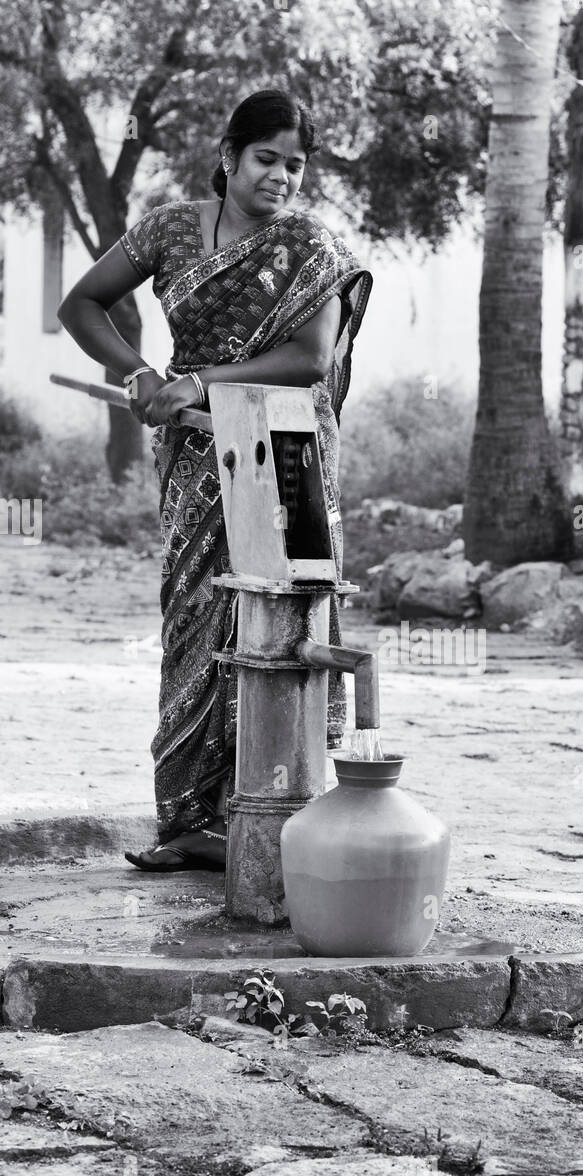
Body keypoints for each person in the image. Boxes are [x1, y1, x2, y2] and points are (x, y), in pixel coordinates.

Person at [59, 89, 372, 871]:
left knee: (278, 621)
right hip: (200, 462)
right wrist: (136, 373)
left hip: (290, 456)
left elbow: (308, 359)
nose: (282, 178)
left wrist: (199, 383)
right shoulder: (169, 230)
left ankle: (274, 810)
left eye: (295, 165)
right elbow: (83, 303)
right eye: (266, 159)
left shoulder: (311, 244)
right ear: (228, 156)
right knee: (198, 619)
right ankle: (190, 820)